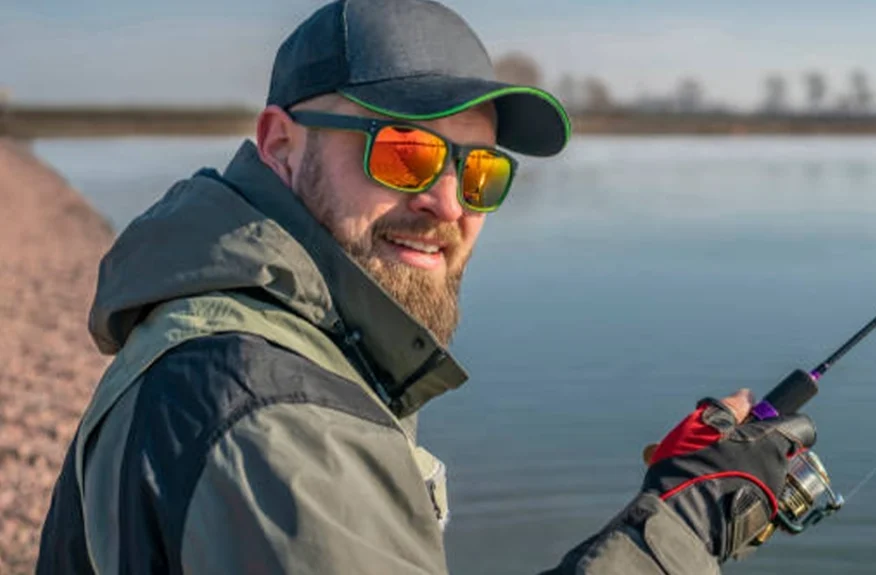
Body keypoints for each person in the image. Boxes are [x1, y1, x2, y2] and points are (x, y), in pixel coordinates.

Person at [36, 0, 818, 573]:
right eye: (403, 152)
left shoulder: (234, 336)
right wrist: (682, 528)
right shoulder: (274, 416)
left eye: (479, 170)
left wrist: (677, 503)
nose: (448, 204)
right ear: (280, 144)